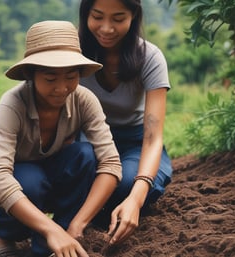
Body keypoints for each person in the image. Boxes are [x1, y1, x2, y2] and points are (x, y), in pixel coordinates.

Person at [0, 20, 122, 257]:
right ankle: (4, 235)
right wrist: (50, 228)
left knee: (84, 155)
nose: (62, 88)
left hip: (43, 176)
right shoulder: (13, 104)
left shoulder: (84, 100)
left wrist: (77, 225)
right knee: (30, 178)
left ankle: (50, 245)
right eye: (50, 79)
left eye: (71, 77)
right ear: (30, 74)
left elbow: (110, 164)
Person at [78, 0, 173, 246]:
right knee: (80, 174)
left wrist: (136, 199)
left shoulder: (149, 57)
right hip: (88, 140)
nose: (106, 28)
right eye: (97, 17)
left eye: (118, 19)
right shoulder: (73, 54)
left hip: (134, 142)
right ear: (85, 13)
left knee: (128, 185)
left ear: (134, 17)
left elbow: (153, 137)